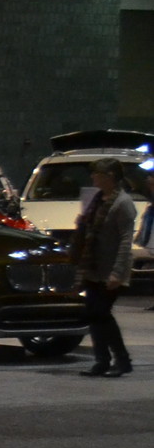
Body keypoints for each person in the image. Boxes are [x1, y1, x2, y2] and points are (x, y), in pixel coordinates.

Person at [74, 158, 136, 378]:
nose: (93, 177)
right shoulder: (98, 199)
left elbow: (125, 242)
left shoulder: (123, 203)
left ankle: (122, 360)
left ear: (109, 176)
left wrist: (118, 273)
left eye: (97, 174)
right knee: (94, 314)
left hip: (111, 271)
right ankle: (101, 360)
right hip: (93, 268)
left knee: (101, 313)